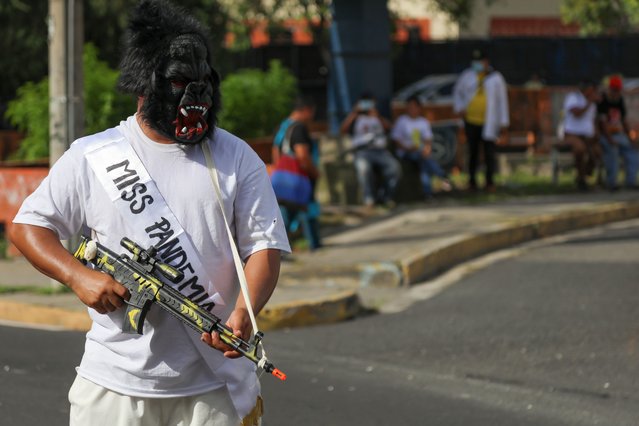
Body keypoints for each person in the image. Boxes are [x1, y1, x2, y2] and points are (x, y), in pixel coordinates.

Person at [9, 1, 290, 425]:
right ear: (145, 83)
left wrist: (243, 315)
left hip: (213, 388)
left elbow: (263, 247)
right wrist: (77, 275)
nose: (195, 95)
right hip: (113, 385)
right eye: (179, 81)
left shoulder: (236, 156)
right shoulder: (94, 155)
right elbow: (28, 226)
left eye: (202, 81)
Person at [453, 48, 509, 192]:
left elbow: (502, 101)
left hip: (489, 122)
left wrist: (504, 124)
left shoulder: (496, 78)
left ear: (486, 61)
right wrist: (459, 108)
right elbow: (457, 94)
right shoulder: (467, 76)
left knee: (489, 152)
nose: (477, 64)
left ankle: (489, 182)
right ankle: (472, 182)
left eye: (480, 61)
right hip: (471, 121)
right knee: (472, 152)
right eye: (475, 61)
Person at [271, 96, 322, 249]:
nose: (312, 117)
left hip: (282, 177)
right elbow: (302, 155)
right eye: (312, 113)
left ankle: (278, 246)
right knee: (306, 208)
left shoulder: (282, 127)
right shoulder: (299, 128)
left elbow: (275, 151)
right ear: (306, 110)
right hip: (298, 178)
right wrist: (314, 172)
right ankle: (314, 243)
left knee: (286, 210)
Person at [340, 94, 402, 208]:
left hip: (380, 151)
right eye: (364, 103)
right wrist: (354, 113)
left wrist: (377, 116)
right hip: (362, 151)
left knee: (395, 168)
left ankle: (386, 197)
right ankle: (369, 199)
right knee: (363, 169)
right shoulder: (355, 117)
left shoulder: (378, 116)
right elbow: (343, 130)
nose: (367, 106)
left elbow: (390, 128)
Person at [391, 95, 452, 199]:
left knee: (424, 164)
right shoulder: (402, 121)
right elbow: (396, 140)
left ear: (419, 108)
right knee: (423, 158)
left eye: (414, 107)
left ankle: (427, 194)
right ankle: (442, 175)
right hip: (406, 152)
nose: (411, 109)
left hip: (420, 153)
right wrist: (408, 148)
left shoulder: (423, 122)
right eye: (409, 107)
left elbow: (428, 140)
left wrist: (427, 149)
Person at [597, 75, 638, 191]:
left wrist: (630, 138)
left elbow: (624, 121)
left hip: (618, 135)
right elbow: (602, 123)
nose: (616, 93)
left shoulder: (619, 100)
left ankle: (631, 181)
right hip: (604, 136)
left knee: (633, 150)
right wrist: (610, 139)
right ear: (609, 89)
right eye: (614, 90)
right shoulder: (603, 100)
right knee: (612, 151)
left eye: (618, 90)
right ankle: (611, 183)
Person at [562, 79, 601, 190]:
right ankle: (581, 178)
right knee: (580, 149)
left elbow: (593, 120)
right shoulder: (574, 98)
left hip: (588, 135)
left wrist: (596, 132)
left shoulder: (593, 103)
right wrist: (589, 102)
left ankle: (585, 174)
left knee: (597, 152)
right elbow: (577, 114)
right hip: (572, 134)